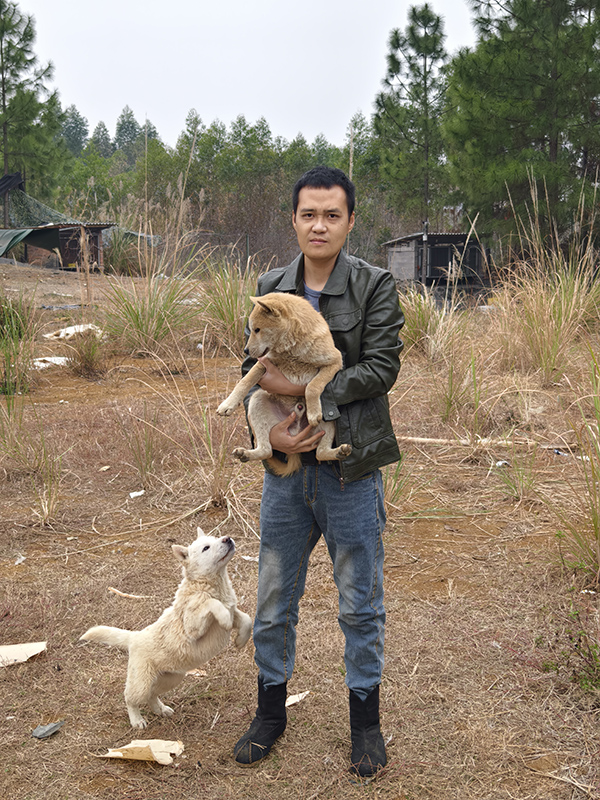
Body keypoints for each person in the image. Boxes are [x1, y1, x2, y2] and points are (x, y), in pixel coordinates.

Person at [233, 166, 404, 777]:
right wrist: (271, 430)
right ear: (295, 220)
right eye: (309, 213)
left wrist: (310, 397)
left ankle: (366, 723)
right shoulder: (269, 285)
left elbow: (381, 368)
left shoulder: (375, 286)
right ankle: (270, 712)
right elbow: (250, 359)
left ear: (350, 221)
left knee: (360, 603)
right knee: (275, 598)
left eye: (332, 214)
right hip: (285, 475)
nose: (319, 224)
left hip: (349, 468)